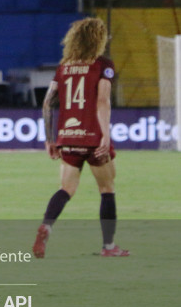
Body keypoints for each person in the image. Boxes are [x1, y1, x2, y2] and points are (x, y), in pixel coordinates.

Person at [33, 17, 129, 259]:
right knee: (107, 188)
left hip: (68, 136)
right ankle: (109, 246)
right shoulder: (103, 65)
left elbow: (47, 103)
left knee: (66, 188)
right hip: (94, 137)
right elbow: (103, 100)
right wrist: (105, 135)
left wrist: (49, 139)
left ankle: (46, 226)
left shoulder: (64, 67)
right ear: (98, 40)